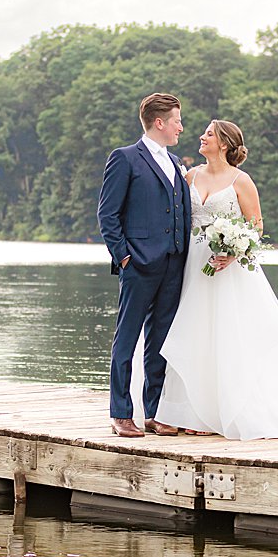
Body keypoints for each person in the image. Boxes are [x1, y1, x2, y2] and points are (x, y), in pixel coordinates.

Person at [154, 119, 278, 440]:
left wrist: (232, 250)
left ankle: (218, 413)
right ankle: (189, 413)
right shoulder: (190, 175)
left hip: (228, 269)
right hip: (193, 266)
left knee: (227, 337)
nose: (201, 137)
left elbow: (255, 228)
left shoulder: (241, 181)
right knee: (194, 333)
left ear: (225, 144)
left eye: (209, 134)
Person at [97, 93, 192, 439]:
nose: (181, 127)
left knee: (160, 342)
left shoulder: (176, 162)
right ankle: (121, 413)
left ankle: (153, 412)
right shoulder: (125, 159)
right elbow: (108, 215)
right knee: (126, 339)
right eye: (177, 120)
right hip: (138, 264)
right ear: (159, 122)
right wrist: (124, 256)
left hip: (173, 264)